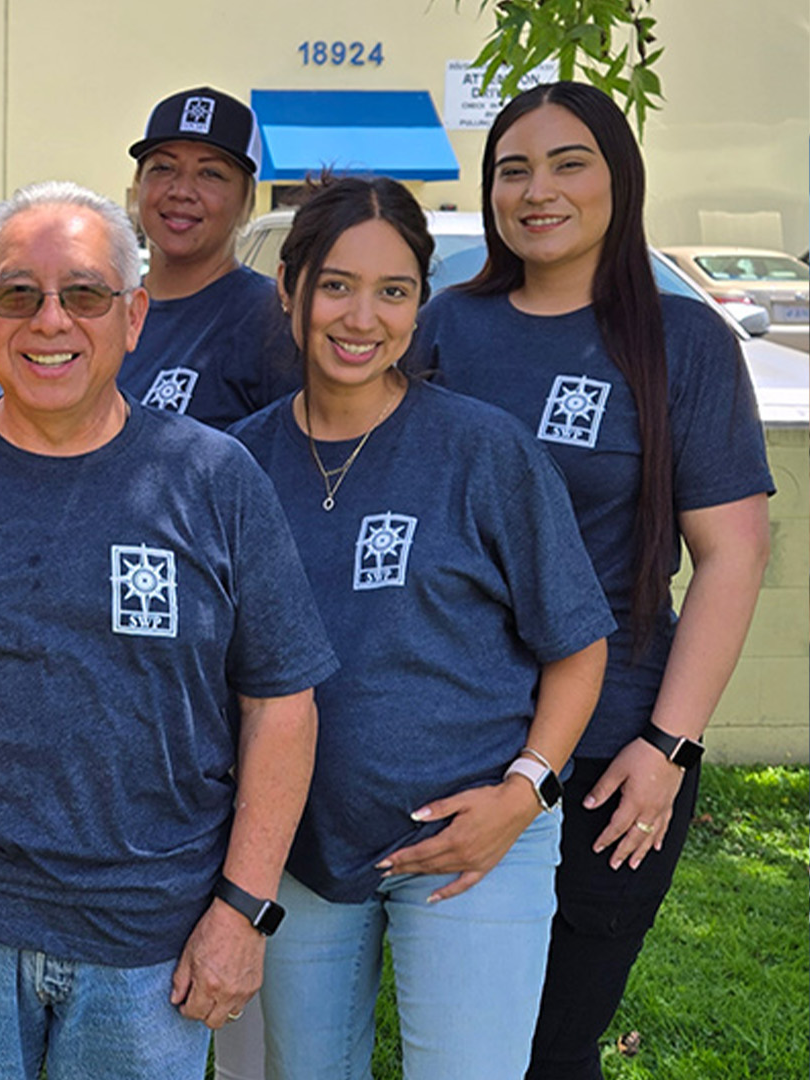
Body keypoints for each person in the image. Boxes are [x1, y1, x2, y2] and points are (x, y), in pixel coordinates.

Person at [0, 180, 336, 1080]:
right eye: (18, 295)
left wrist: (241, 912)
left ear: (133, 316)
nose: (50, 321)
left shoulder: (214, 478)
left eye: (85, 294)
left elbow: (282, 704)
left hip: (155, 945)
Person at [416, 81, 773, 1080]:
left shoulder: (680, 340)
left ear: (621, 178)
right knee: (461, 1033)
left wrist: (667, 745)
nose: (538, 190)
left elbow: (734, 553)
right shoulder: (448, 327)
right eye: (511, 169)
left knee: (553, 1038)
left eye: (569, 162)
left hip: (617, 751)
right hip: (458, 738)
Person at [227, 176, 614, 1079]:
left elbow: (578, 645)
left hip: (473, 838)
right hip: (296, 844)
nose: (362, 316)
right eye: (336, 285)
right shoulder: (235, 463)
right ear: (288, 289)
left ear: (419, 306)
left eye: (394, 291)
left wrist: (523, 795)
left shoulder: (482, 448)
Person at [117, 86, 295, 428]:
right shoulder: (104, 310)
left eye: (211, 173)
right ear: (138, 184)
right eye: (163, 168)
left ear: (247, 200)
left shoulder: (272, 322)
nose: (181, 191)